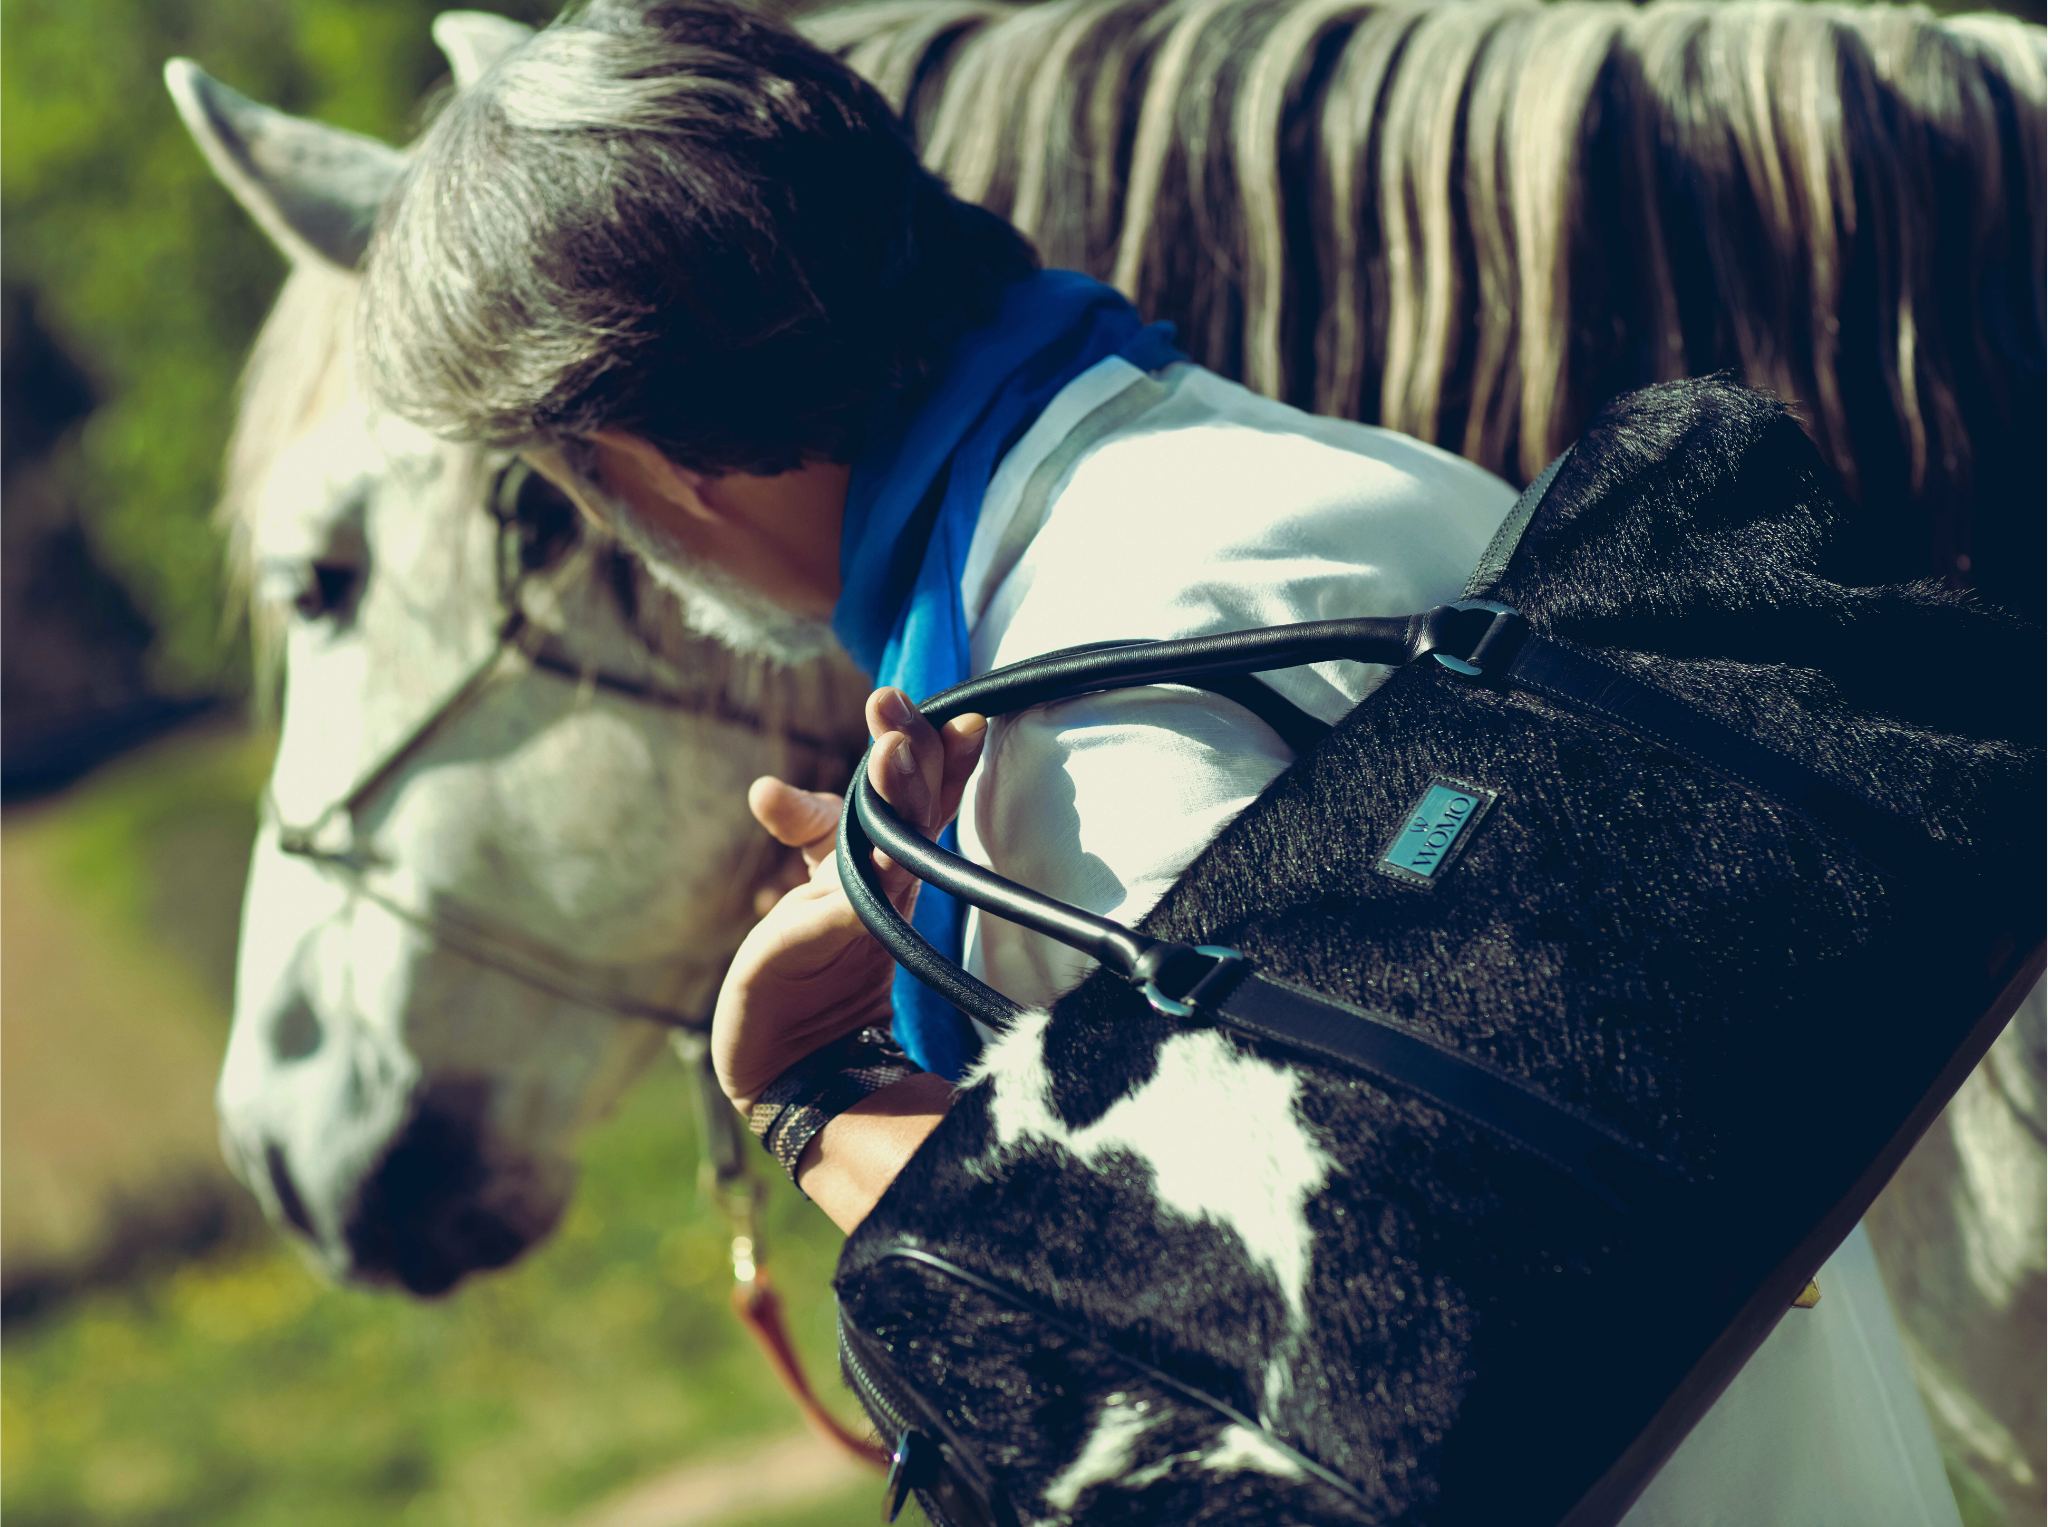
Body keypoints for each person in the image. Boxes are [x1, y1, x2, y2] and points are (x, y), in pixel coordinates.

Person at [358, 3, 1961, 1520]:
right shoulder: (1345, 479)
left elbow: (1276, 1421)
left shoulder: (1087, 727)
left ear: (637, 454)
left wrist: (810, 1090)